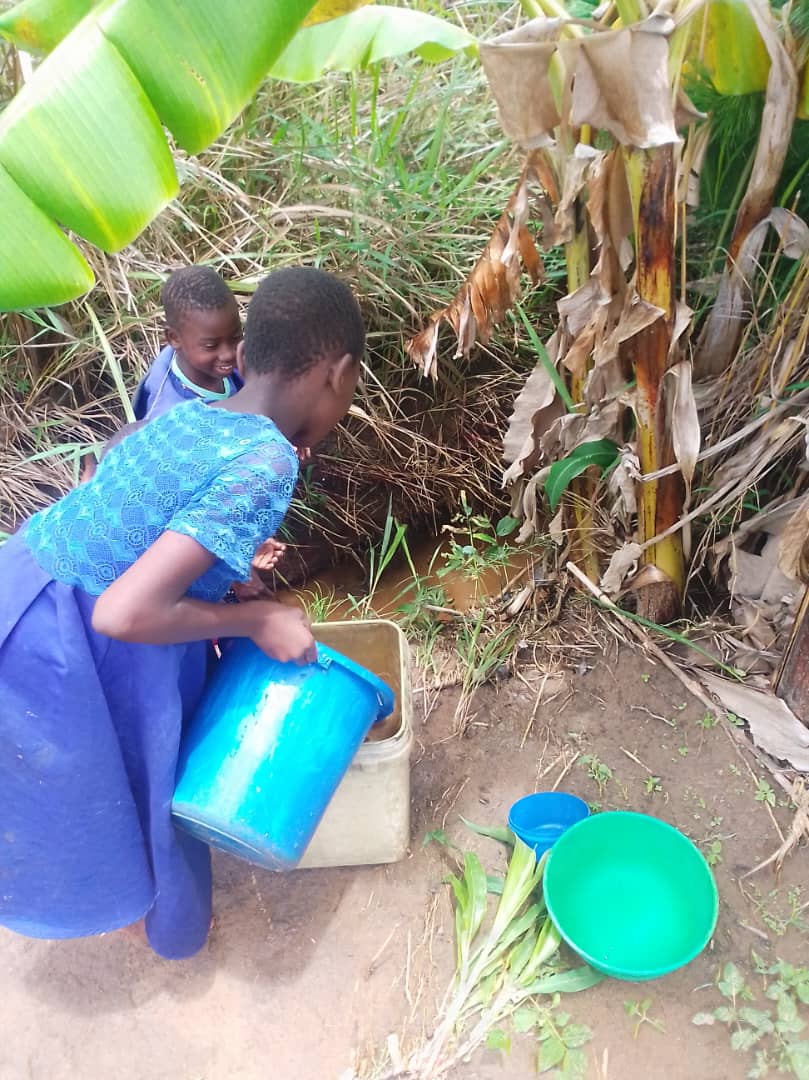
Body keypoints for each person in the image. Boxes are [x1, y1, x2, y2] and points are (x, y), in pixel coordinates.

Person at [0, 267, 365, 960]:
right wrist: (257, 621)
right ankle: (177, 933)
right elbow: (122, 613)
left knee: (53, 785)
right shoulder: (267, 461)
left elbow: (116, 465)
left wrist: (225, 580)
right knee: (148, 777)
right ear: (338, 373)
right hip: (71, 636)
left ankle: (155, 916)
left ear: (248, 353)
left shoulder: (196, 412)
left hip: (23, 582)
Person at [132, 265, 244, 421]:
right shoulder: (172, 419)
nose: (228, 354)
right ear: (174, 338)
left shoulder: (194, 347)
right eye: (211, 346)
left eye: (235, 337)